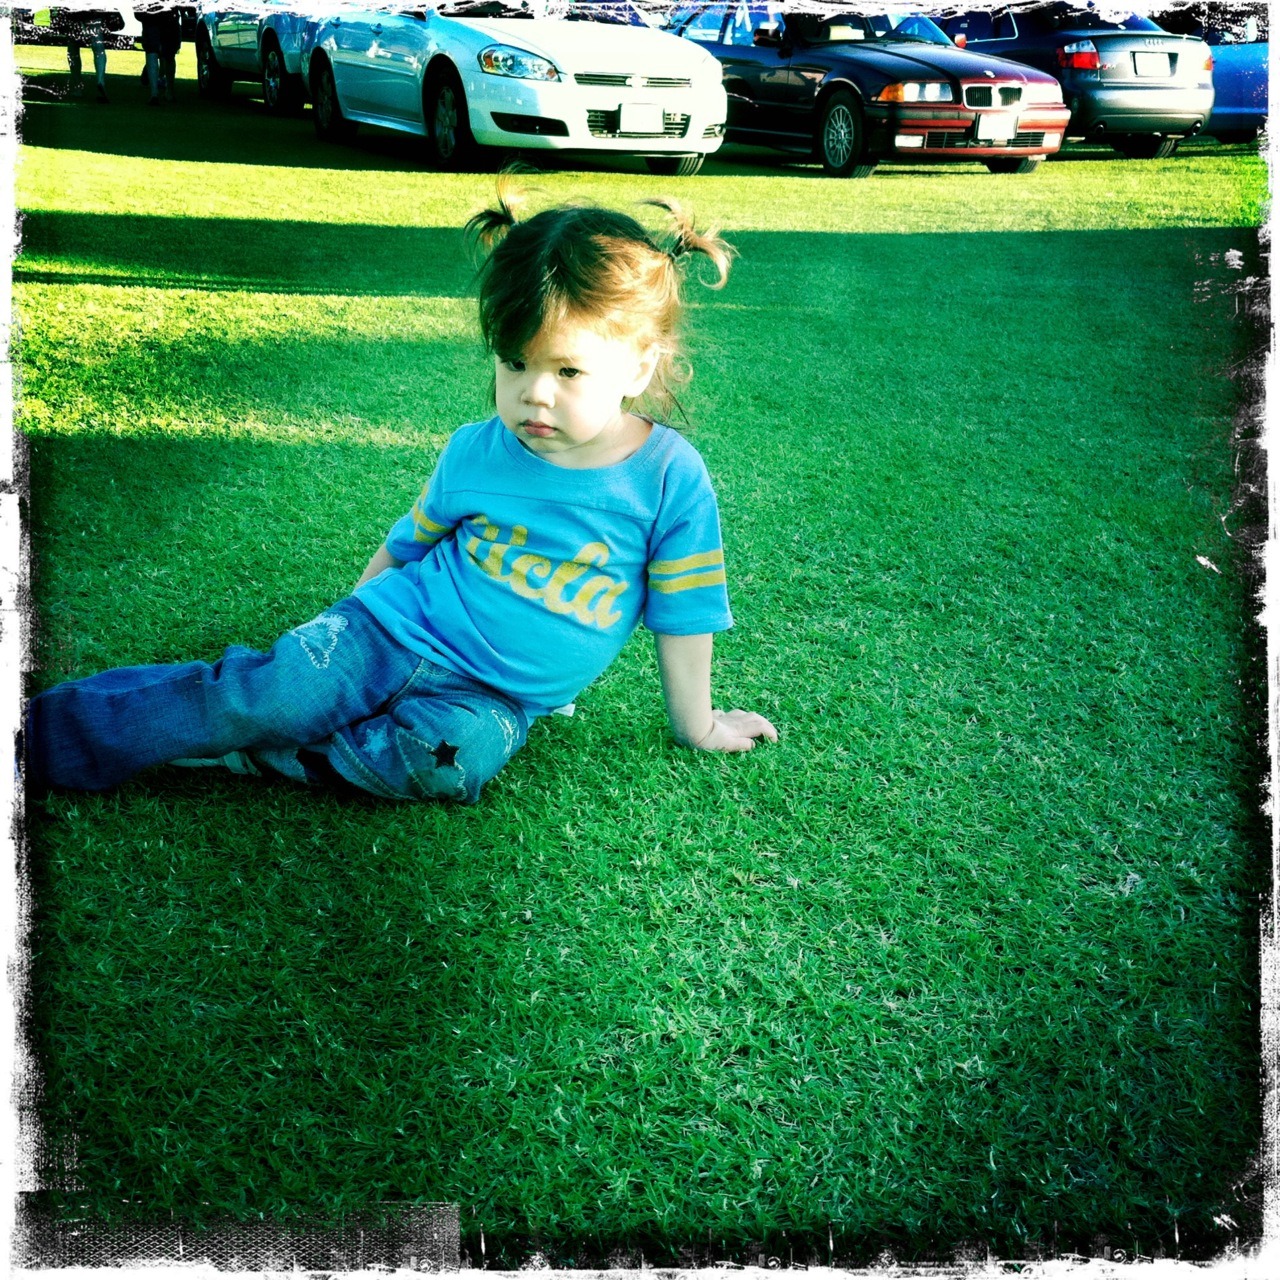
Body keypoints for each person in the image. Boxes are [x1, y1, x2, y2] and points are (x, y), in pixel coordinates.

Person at [24, 188, 778, 804]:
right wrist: (337, 634)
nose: (534, 394)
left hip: (495, 701)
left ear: (639, 366)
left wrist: (697, 725)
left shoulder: (669, 480)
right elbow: (409, 543)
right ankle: (49, 735)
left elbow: (684, 619)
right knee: (267, 697)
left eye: (568, 371)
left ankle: (261, 756)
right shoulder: (477, 450)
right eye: (514, 363)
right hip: (389, 632)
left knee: (450, 765)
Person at [54, 7, 120, 102]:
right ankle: (100, 81)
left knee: (73, 47)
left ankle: (77, 85)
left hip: (74, 13)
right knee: (98, 47)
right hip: (94, 13)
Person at [134, 3, 182, 105]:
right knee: (169, 55)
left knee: (152, 51)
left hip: (151, 17)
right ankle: (169, 91)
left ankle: (154, 93)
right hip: (169, 17)